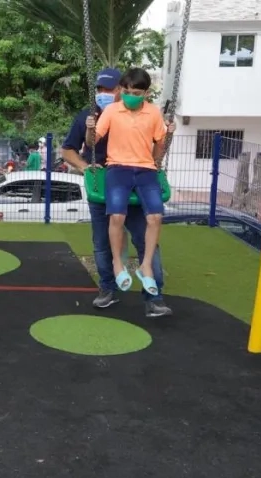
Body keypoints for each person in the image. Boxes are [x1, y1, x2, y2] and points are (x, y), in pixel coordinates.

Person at [61, 67, 173, 317]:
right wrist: (86, 167)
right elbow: (68, 150)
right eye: (100, 89)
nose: (104, 94)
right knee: (102, 242)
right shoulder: (87, 116)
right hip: (105, 182)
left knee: (146, 239)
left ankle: (154, 298)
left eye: (108, 89)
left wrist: (159, 153)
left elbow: (158, 144)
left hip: (138, 175)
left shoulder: (148, 113)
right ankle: (107, 289)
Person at [84, 67, 168, 297]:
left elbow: (160, 143)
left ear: (146, 93)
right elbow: (92, 142)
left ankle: (146, 266)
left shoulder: (153, 113)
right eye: (127, 91)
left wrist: (161, 151)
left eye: (137, 93)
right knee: (117, 216)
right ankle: (117, 265)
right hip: (117, 168)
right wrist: (89, 129)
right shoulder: (111, 111)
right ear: (122, 89)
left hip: (146, 169)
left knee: (155, 217)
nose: (131, 95)